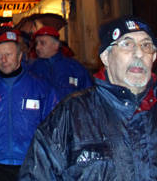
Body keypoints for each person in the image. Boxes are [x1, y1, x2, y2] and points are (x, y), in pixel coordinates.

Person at [20, 16, 157, 180]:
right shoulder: (71, 114)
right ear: (106, 57)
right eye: (127, 44)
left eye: (146, 45)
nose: (139, 53)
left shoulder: (74, 68)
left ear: (154, 57)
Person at [0, 30, 58, 181]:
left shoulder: (41, 88)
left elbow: (53, 127)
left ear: (20, 56)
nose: (4, 59)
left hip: (32, 163)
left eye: (8, 54)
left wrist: (52, 158)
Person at [28, 26, 93, 101]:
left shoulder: (74, 68)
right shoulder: (32, 69)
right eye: (36, 43)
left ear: (56, 45)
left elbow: (90, 95)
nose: (37, 47)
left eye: (42, 43)